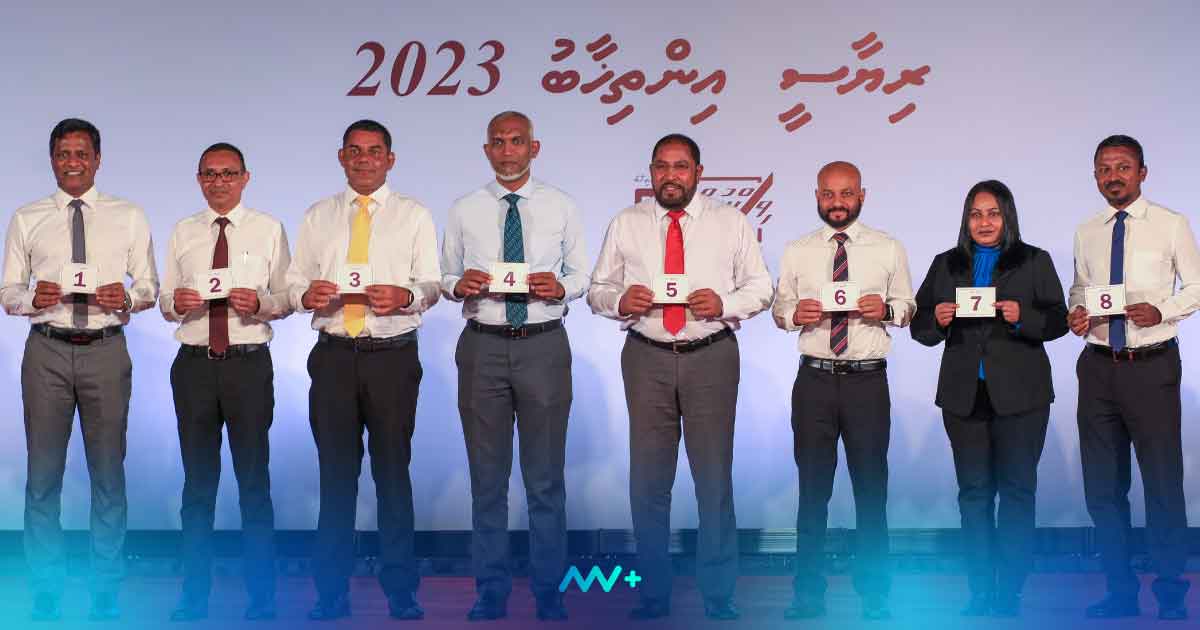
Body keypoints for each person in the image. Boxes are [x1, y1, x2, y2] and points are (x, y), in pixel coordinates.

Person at [587, 133, 773, 621]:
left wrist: (725, 303)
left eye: (681, 166)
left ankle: (719, 592)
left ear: (698, 173)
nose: (670, 176)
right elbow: (597, 289)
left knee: (713, 480)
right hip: (645, 355)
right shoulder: (626, 222)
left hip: (710, 355)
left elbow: (762, 288)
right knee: (648, 482)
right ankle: (653, 592)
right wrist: (619, 301)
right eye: (662, 167)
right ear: (651, 172)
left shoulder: (730, 222)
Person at [0, 118, 159, 621]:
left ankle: (105, 586)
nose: (73, 162)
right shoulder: (27, 217)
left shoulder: (128, 215)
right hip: (46, 351)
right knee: (42, 477)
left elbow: (150, 286)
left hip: (105, 350)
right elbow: (8, 292)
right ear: (53, 160)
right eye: (64, 153)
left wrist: (126, 297)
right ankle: (45, 587)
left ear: (98, 159)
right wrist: (33, 297)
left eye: (82, 153)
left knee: (108, 474)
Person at [286, 119, 441, 621]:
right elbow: (293, 283)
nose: (364, 159)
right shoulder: (318, 215)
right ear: (341, 157)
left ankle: (402, 590)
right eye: (354, 150)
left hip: (392, 356)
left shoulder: (414, 215)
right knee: (336, 480)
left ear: (390, 159)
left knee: (393, 476)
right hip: (333, 356)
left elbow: (432, 284)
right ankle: (330, 591)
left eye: (374, 151)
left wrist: (406, 295)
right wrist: (305, 295)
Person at [441, 111, 588, 621]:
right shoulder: (464, 208)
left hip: (543, 345)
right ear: (487, 150)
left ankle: (550, 591)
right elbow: (444, 275)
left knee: (545, 481)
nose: (507, 151)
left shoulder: (562, 205)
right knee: (487, 481)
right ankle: (490, 591)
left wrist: (562, 286)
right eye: (498, 142)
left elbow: (583, 275)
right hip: (482, 346)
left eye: (517, 141)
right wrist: (457, 285)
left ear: (534, 147)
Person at [911, 180, 1067, 617]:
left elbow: (1059, 320)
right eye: (976, 214)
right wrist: (939, 320)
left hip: (1022, 398)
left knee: (1017, 493)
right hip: (964, 399)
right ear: (966, 219)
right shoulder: (946, 263)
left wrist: (1023, 317)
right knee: (974, 495)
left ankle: (1010, 590)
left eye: (993, 213)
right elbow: (919, 326)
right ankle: (979, 590)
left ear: (1007, 217)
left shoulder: (1034, 260)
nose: (984, 222)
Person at [771, 161, 914, 620]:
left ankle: (875, 595)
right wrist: (795, 315)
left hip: (867, 382)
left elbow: (908, 306)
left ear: (862, 195)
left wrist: (885, 310)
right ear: (817, 196)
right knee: (812, 493)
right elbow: (779, 309)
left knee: (871, 491)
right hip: (813, 381)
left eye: (846, 193)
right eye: (829, 194)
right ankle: (807, 594)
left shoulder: (887, 247)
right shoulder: (797, 250)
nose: (837, 202)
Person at [159, 142, 292, 621]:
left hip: (247, 365)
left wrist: (260, 303)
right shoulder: (183, 231)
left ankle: (262, 596)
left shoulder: (269, 228)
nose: (219, 182)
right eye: (210, 174)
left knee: (254, 483)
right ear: (199, 179)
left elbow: (287, 297)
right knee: (197, 486)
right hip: (194, 366)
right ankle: (193, 595)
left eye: (228, 173)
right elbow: (165, 302)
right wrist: (178, 303)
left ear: (245, 177)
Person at [1068, 135, 1197, 621]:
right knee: (1103, 489)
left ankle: (1170, 593)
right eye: (1104, 169)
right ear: (1095, 176)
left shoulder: (1170, 223)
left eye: (1123, 166)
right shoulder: (1087, 231)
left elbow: (1197, 286)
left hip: (1152, 366)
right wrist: (1076, 313)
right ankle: (1119, 591)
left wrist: (1161, 309)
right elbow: (1080, 288)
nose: (1113, 176)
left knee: (1162, 484)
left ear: (1142, 172)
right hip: (1098, 367)